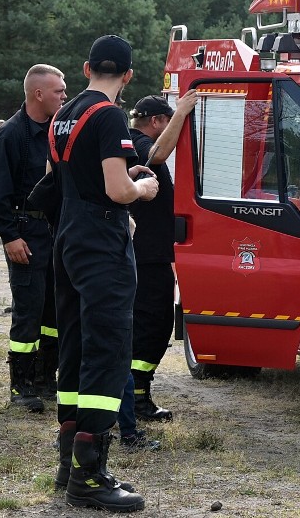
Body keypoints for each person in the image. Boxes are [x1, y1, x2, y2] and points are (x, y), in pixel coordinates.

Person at [50, 34, 158, 512]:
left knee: (73, 343)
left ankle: (67, 459)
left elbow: (72, 182)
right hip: (101, 246)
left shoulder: (63, 113)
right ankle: (89, 475)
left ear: (86, 66)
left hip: (68, 237)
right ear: (129, 76)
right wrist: (145, 190)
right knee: (109, 348)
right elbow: (117, 188)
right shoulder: (110, 114)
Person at [0, 65, 67, 413]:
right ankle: (21, 387)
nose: (64, 97)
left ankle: (47, 380)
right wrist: (9, 236)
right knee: (29, 312)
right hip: (25, 234)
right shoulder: (11, 136)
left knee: (54, 312)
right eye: (58, 91)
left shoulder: (56, 132)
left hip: (54, 233)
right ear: (38, 94)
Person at [125, 91, 197, 426]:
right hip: (145, 256)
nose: (174, 127)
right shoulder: (138, 141)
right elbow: (157, 153)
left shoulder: (133, 139)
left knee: (151, 324)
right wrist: (182, 111)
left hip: (150, 253)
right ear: (156, 121)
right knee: (151, 324)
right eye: (169, 121)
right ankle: (137, 398)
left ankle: (137, 395)